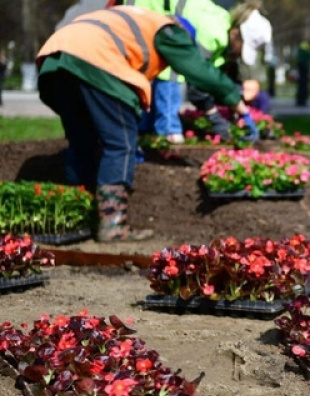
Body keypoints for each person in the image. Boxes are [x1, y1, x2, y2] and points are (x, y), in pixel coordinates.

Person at [37, 5, 259, 242]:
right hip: (96, 60)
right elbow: (199, 71)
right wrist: (237, 104)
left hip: (55, 61)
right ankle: (113, 224)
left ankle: (75, 216)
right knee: (120, 143)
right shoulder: (170, 31)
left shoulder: (137, 19)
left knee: (83, 141)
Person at [122, 0, 234, 144]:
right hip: (161, 40)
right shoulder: (215, 30)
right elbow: (197, 73)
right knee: (167, 85)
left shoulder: (216, 19)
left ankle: (146, 133)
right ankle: (168, 134)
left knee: (149, 93)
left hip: (150, 36)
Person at [295, 39, 310, 107]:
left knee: (301, 85)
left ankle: (300, 100)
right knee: (303, 84)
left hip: (301, 68)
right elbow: (307, 58)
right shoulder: (306, 49)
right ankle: (302, 100)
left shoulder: (302, 48)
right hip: (304, 68)